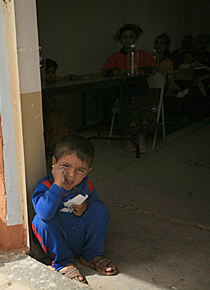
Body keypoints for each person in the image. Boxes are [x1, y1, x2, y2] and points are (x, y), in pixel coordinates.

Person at [31, 135, 117, 285]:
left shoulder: (86, 186)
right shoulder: (45, 186)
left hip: (80, 236)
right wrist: (57, 185)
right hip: (59, 240)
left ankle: (92, 256)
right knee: (40, 221)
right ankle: (63, 262)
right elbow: (44, 213)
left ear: (88, 171)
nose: (71, 175)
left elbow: (95, 207)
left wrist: (85, 207)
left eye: (80, 170)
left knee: (100, 209)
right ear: (54, 163)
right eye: (65, 166)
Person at [102, 23, 156, 153]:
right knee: (127, 108)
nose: (128, 40)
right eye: (125, 37)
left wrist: (138, 71)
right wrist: (118, 72)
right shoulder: (115, 56)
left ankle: (141, 139)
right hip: (124, 90)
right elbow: (106, 71)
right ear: (120, 39)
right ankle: (128, 139)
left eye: (131, 37)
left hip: (141, 89)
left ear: (136, 39)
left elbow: (152, 67)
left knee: (141, 107)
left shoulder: (142, 55)